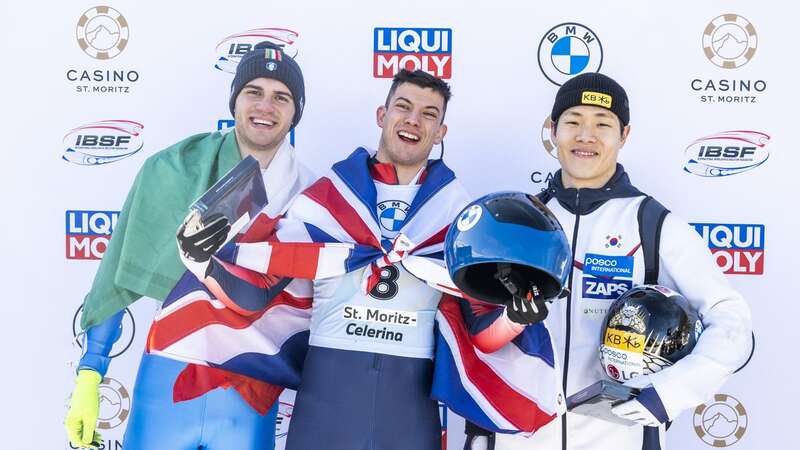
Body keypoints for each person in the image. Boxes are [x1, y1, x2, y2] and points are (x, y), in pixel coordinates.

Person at [177, 69, 472, 450]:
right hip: (329, 393)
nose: (413, 120)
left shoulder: (456, 211)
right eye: (403, 106)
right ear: (381, 115)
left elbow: (481, 320)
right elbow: (259, 286)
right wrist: (206, 264)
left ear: (441, 132)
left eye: (429, 114)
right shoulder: (328, 198)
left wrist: (514, 316)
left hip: (409, 399)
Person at [462, 72, 753, 450]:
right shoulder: (521, 221)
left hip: (619, 435)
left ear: (624, 135)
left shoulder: (652, 224)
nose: (586, 136)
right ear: (552, 130)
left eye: (602, 124)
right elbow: (478, 329)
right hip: (522, 436)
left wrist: (668, 394)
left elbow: (731, 321)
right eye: (572, 122)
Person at [64, 41, 315, 450]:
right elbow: (116, 276)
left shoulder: (311, 198)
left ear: (295, 112)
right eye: (254, 91)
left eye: (281, 97)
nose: (265, 106)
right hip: (170, 377)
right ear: (235, 100)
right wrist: (90, 375)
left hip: (249, 390)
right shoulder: (173, 169)